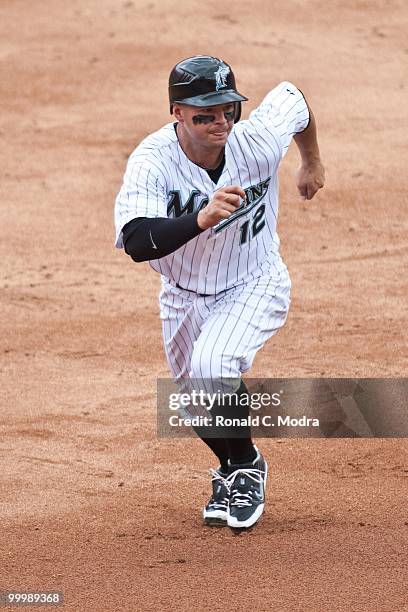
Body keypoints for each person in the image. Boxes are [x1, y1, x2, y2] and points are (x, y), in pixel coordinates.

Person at [114, 55, 325, 530]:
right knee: (192, 401)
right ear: (178, 114)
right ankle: (230, 470)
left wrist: (311, 161)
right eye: (204, 114)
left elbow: (295, 98)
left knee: (215, 365)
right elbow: (135, 241)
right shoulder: (153, 161)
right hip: (183, 294)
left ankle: (248, 466)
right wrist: (199, 219)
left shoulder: (257, 142)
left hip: (254, 281)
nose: (220, 122)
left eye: (228, 110)